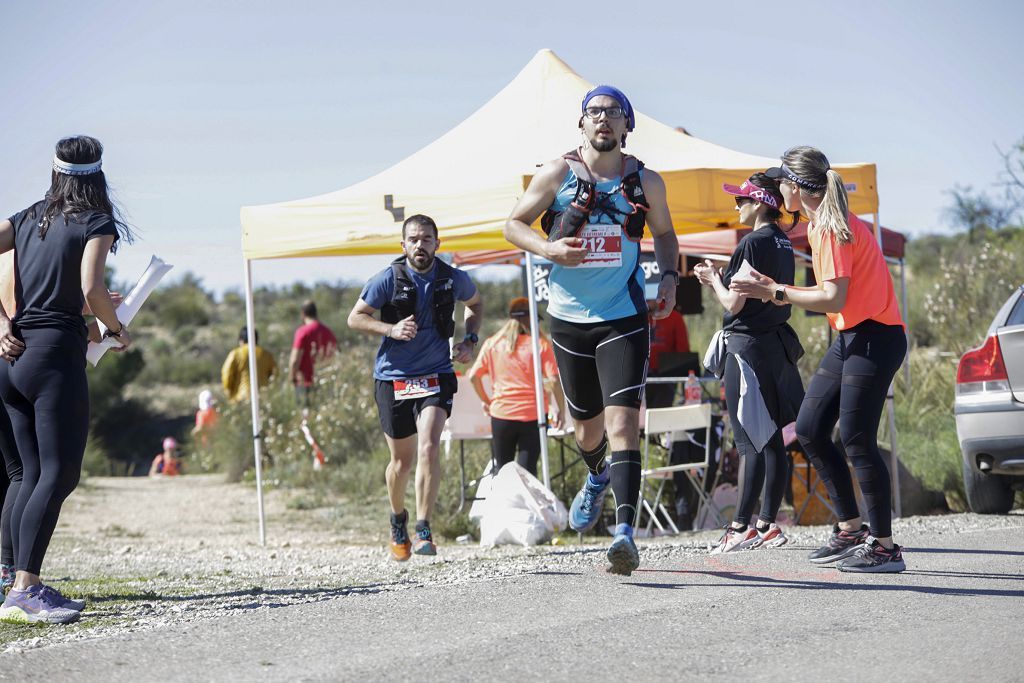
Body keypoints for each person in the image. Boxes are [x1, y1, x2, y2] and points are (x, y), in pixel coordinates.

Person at [504, 85, 680, 575]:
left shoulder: (648, 182)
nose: (603, 120)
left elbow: (665, 235)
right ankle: (598, 474)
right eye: (594, 113)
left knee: (624, 423)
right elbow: (513, 225)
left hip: (623, 315)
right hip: (567, 318)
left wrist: (668, 278)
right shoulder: (557, 173)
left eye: (614, 113)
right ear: (581, 124)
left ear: (628, 125)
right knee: (587, 430)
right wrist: (549, 251)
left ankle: (625, 534)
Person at [730, 146, 908, 573]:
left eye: (781, 181)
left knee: (856, 438)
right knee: (809, 429)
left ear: (796, 187)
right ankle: (850, 528)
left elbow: (833, 296)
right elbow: (837, 301)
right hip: (853, 335)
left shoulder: (828, 228)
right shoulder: (821, 224)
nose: (777, 188)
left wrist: (773, 290)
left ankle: (884, 547)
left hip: (875, 336)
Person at [0, 135, 133, 623]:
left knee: (27, 473)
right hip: (55, 355)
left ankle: (8, 580)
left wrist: (1, 324)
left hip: (12, 359)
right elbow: (91, 287)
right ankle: (25, 590)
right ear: (98, 175)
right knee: (59, 473)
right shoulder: (97, 220)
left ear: (55, 172)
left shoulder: (27, 216)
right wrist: (116, 330)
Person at [347, 214, 482, 561]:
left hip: (436, 373)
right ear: (403, 245)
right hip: (393, 378)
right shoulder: (387, 280)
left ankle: (424, 528)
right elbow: (355, 318)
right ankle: (398, 519)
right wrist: (390, 330)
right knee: (400, 463)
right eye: (414, 239)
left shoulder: (453, 278)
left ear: (438, 244)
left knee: (429, 447)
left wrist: (470, 340)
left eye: (426, 239)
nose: (420, 245)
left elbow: (476, 304)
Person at [694, 173, 805, 553]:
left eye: (741, 200)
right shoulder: (783, 242)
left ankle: (741, 527)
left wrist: (712, 279)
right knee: (773, 440)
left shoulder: (752, 241)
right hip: (776, 347)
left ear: (758, 203)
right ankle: (768, 524)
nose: (735, 206)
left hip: (748, 348)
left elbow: (733, 304)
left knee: (748, 443)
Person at [468, 297, 565, 477]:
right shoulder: (541, 345)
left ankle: (504, 505)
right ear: (531, 319)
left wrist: (487, 401)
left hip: (501, 415)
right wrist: (560, 408)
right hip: (534, 416)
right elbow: (554, 381)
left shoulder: (492, 343)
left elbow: (474, 376)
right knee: (526, 474)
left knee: (502, 473)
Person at [288, 299, 337, 405]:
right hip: (324, 382)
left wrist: (292, 378)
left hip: (304, 383)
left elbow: (295, 359)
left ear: (302, 314)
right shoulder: (328, 332)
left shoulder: (302, 332)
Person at [221, 327, 277, 403]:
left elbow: (226, 374)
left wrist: (229, 391)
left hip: (240, 398)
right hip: (262, 398)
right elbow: (275, 374)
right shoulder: (267, 355)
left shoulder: (235, 354)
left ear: (241, 340)